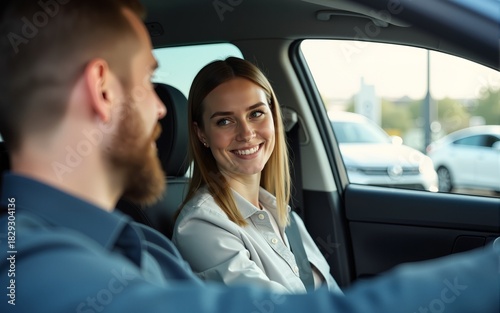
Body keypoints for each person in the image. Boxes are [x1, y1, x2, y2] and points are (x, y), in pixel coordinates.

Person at [0, 1, 498, 313]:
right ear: (103, 90)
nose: (160, 110)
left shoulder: (139, 245)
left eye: (258, 114)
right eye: (148, 82)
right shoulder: (27, 267)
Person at [172, 57, 341, 294]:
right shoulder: (200, 226)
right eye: (225, 121)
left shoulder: (283, 215)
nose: (246, 133)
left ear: (273, 117)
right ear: (202, 134)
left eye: (255, 114)